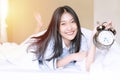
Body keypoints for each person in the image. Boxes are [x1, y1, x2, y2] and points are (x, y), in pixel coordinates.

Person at [27, 5, 110, 72]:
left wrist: (94, 38)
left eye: (72, 21)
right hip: (35, 48)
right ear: (57, 27)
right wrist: (72, 56)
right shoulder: (51, 41)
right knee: (33, 41)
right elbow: (51, 64)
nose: (69, 27)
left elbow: (88, 67)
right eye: (63, 24)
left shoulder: (81, 38)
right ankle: (38, 25)